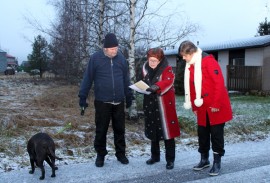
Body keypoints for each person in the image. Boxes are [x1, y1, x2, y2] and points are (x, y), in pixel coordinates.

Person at [78, 33, 133, 167]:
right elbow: (88, 78)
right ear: (105, 49)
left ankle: (121, 154)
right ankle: (100, 155)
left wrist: (129, 95)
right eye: (112, 48)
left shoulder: (121, 59)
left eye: (116, 48)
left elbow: (126, 79)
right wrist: (82, 96)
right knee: (101, 130)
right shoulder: (95, 59)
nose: (115, 50)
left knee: (120, 129)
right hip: (102, 101)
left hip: (119, 101)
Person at [178, 40, 233, 176]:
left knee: (216, 135)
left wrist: (215, 104)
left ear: (191, 52)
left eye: (185, 56)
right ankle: (204, 159)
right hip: (202, 106)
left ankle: (217, 162)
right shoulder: (191, 66)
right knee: (202, 134)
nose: (183, 58)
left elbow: (219, 84)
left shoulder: (209, 62)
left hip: (216, 106)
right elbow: (191, 87)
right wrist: (193, 105)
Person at [138, 47, 180, 170]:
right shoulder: (145, 68)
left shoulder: (167, 68)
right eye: (150, 60)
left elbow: (168, 82)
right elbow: (142, 81)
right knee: (153, 130)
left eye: (155, 60)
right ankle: (155, 156)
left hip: (164, 105)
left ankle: (170, 160)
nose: (152, 63)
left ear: (160, 59)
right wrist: (140, 87)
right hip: (150, 103)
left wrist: (156, 87)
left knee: (167, 133)